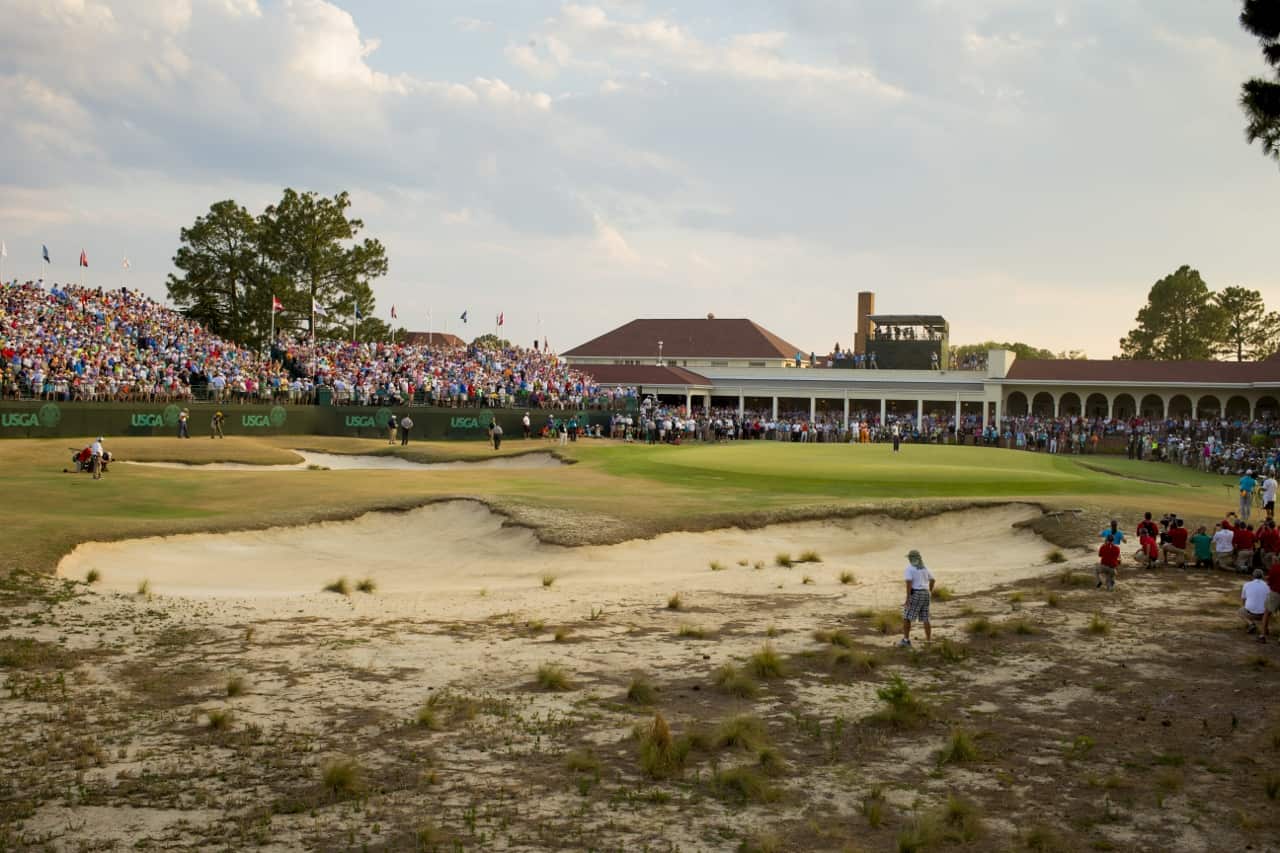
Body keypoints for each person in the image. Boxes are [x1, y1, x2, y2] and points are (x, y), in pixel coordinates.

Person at [899, 549, 934, 647]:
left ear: (910, 558)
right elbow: (933, 580)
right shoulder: (925, 567)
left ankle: (906, 640)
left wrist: (908, 599)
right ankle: (928, 640)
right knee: (926, 618)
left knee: (907, 617)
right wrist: (929, 591)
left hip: (916, 593)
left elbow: (909, 584)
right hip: (925, 594)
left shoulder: (910, 568)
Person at [1241, 568, 1270, 637]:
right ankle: (1265, 628)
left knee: (1240, 611)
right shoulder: (1267, 586)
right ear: (1263, 576)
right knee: (1268, 608)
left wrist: (1245, 607)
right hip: (1264, 615)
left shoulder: (1246, 584)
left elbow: (1243, 599)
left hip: (1250, 613)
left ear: (1253, 576)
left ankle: (1251, 623)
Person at [1260, 557, 1280, 643]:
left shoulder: (1275, 568)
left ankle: (1263, 635)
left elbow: (1269, 581)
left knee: (1266, 613)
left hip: (1275, 593)